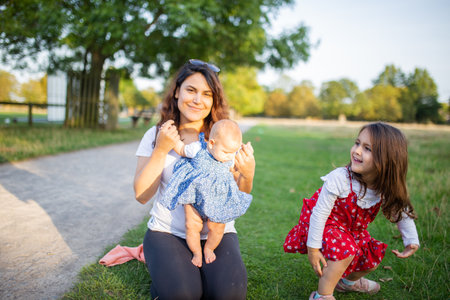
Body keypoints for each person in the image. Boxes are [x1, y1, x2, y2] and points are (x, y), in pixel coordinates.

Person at [134, 59, 255, 300]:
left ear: (214, 100)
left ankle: (192, 271)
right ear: (177, 91)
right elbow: (141, 195)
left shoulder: (222, 136)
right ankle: (166, 275)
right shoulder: (158, 134)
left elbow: (238, 193)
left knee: (228, 295)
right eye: (191, 90)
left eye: (207, 94)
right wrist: (161, 149)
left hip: (216, 232)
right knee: (184, 295)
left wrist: (248, 174)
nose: (198, 100)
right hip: (167, 232)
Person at [283, 122, 420, 300]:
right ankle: (322, 295)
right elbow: (319, 214)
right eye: (357, 143)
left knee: (371, 258)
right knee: (345, 250)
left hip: (352, 231)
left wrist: (411, 240)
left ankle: (346, 283)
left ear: (387, 159)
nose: (356, 151)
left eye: (367, 148)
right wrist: (313, 248)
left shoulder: (384, 187)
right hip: (326, 224)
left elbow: (399, 210)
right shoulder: (340, 178)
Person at [160, 119, 252, 268]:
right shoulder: (198, 148)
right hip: (194, 196)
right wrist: (171, 137)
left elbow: (239, 174)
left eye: (233, 152)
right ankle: (196, 252)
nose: (230, 156)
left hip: (218, 199)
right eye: (226, 152)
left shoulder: (231, 158)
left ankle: (209, 248)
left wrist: (246, 158)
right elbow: (181, 149)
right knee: (191, 224)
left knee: (217, 227)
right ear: (212, 144)